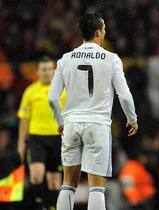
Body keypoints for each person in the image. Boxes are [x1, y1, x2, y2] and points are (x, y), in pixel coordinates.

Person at [48, 12, 138, 210]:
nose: (105, 32)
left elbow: (53, 97)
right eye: (104, 29)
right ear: (98, 33)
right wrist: (132, 119)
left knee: (68, 183)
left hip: (71, 124)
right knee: (96, 187)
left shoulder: (65, 59)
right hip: (97, 125)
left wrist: (60, 121)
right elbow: (124, 95)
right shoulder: (111, 59)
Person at [17, 56, 65, 210]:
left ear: (54, 71)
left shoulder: (63, 91)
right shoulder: (30, 91)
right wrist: (21, 143)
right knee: (36, 175)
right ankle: (40, 205)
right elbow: (24, 119)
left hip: (58, 139)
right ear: (38, 71)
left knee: (54, 180)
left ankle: (51, 207)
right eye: (43, 69)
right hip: (36, 138)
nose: (47, 73)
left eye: (50, 69)